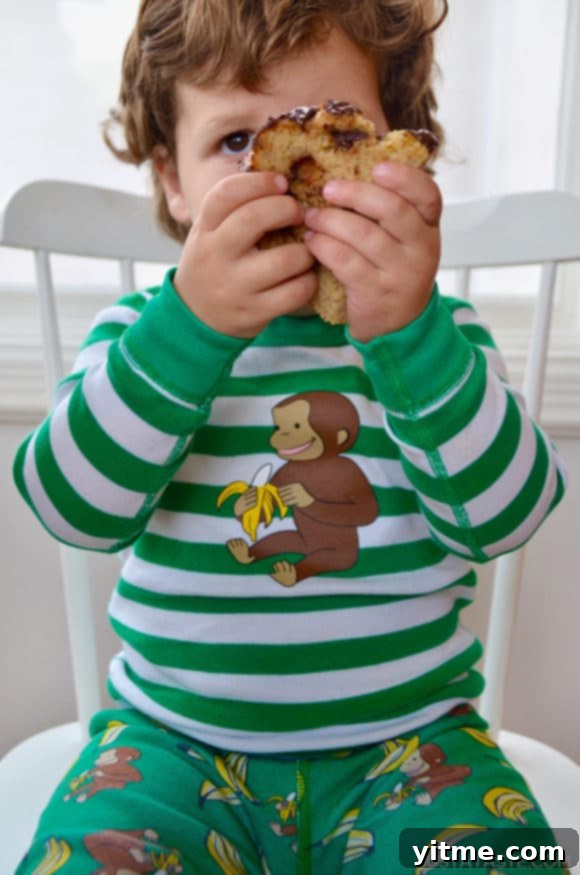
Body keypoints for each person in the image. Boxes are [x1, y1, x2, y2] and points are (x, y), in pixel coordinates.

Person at [12, 1, 571, 873]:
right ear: (172, 180)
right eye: (236, 142)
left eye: (337, 130)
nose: (285, 172)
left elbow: (505, 517)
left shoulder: (438, 338)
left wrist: (411, 335)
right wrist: (186, 329)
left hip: (414, 750)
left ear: (399, 156)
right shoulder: (142, 336)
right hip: (170, 749)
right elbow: (69, 506)